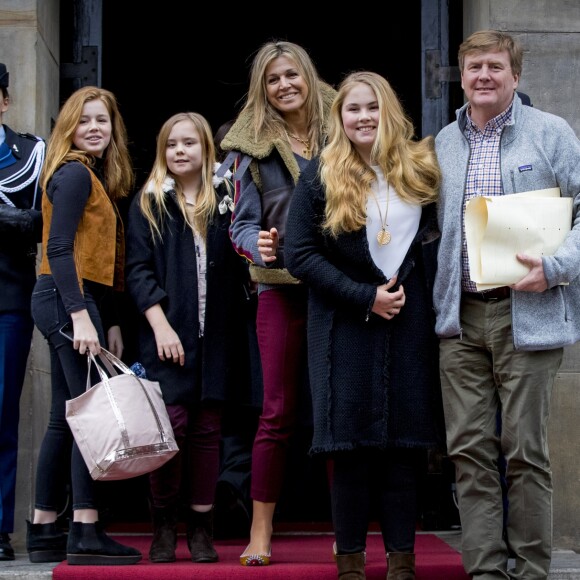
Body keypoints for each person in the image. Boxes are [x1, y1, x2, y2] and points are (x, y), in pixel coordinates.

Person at [285, 70, 444, 580]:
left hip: (408, 324)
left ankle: (402, 564)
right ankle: (350, 565)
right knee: (349, 452)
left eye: (372, 107)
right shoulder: (319, 174)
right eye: (353, 109)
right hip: (341, 330)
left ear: (389, 111)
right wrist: (364, 297)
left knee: (403, 449)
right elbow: (298, 253)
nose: (363, 117)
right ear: (340, 117)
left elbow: (441, 239)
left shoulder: (422, 169)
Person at [433, 29, 580, 580]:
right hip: (462, 320)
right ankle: (486, 572)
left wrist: (557, 267)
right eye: (474, 68)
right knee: (469, 454)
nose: (484, 77)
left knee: (525, 454)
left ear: (515, 76)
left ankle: (532, 571)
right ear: (463, 76)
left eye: (495, 66)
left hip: (529, 317)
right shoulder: (443, 142)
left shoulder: (550, 133)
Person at [218, 40, 336, 566]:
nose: (284, 84)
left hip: (338, 288)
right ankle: (260, 531)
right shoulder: (245, 149)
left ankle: (346, 530)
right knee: (277, 413)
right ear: (262, 90)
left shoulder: (346, 131)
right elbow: (237, 222)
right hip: (280, 288)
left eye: (292, 74)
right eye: (273, 79)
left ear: (307, 77)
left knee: (336, 412)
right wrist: (255, 244)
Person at [125, 112, 256, 563]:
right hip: (167, 336)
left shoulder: (227, 199)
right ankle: (163, 524)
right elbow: (137, 270)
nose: (180, 151)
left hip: (216, 336)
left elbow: (241, 262)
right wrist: (160, 326)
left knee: (206, 432)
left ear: (206, 150)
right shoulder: (150, 203)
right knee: (170, 429)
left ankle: (201, 526)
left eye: (189, 143)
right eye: (171, 144)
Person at [27, 86, 141, 566]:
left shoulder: (89, 176)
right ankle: (85, 530)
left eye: (103, 120)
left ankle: (43, 527)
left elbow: (95, 258)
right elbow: (58, 249)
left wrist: (108, 318)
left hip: (68, 297)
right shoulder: (74, 174)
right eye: (84, 120)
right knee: (89, 418)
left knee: (64, 416)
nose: (95, 128)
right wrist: (80, 316)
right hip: (65, 297)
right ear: (68, 128)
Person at [0, 62, 45, 561]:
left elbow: (46, 221)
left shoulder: (31, 154)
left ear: (5, 101)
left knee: (1, 417)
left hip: (7, 301)